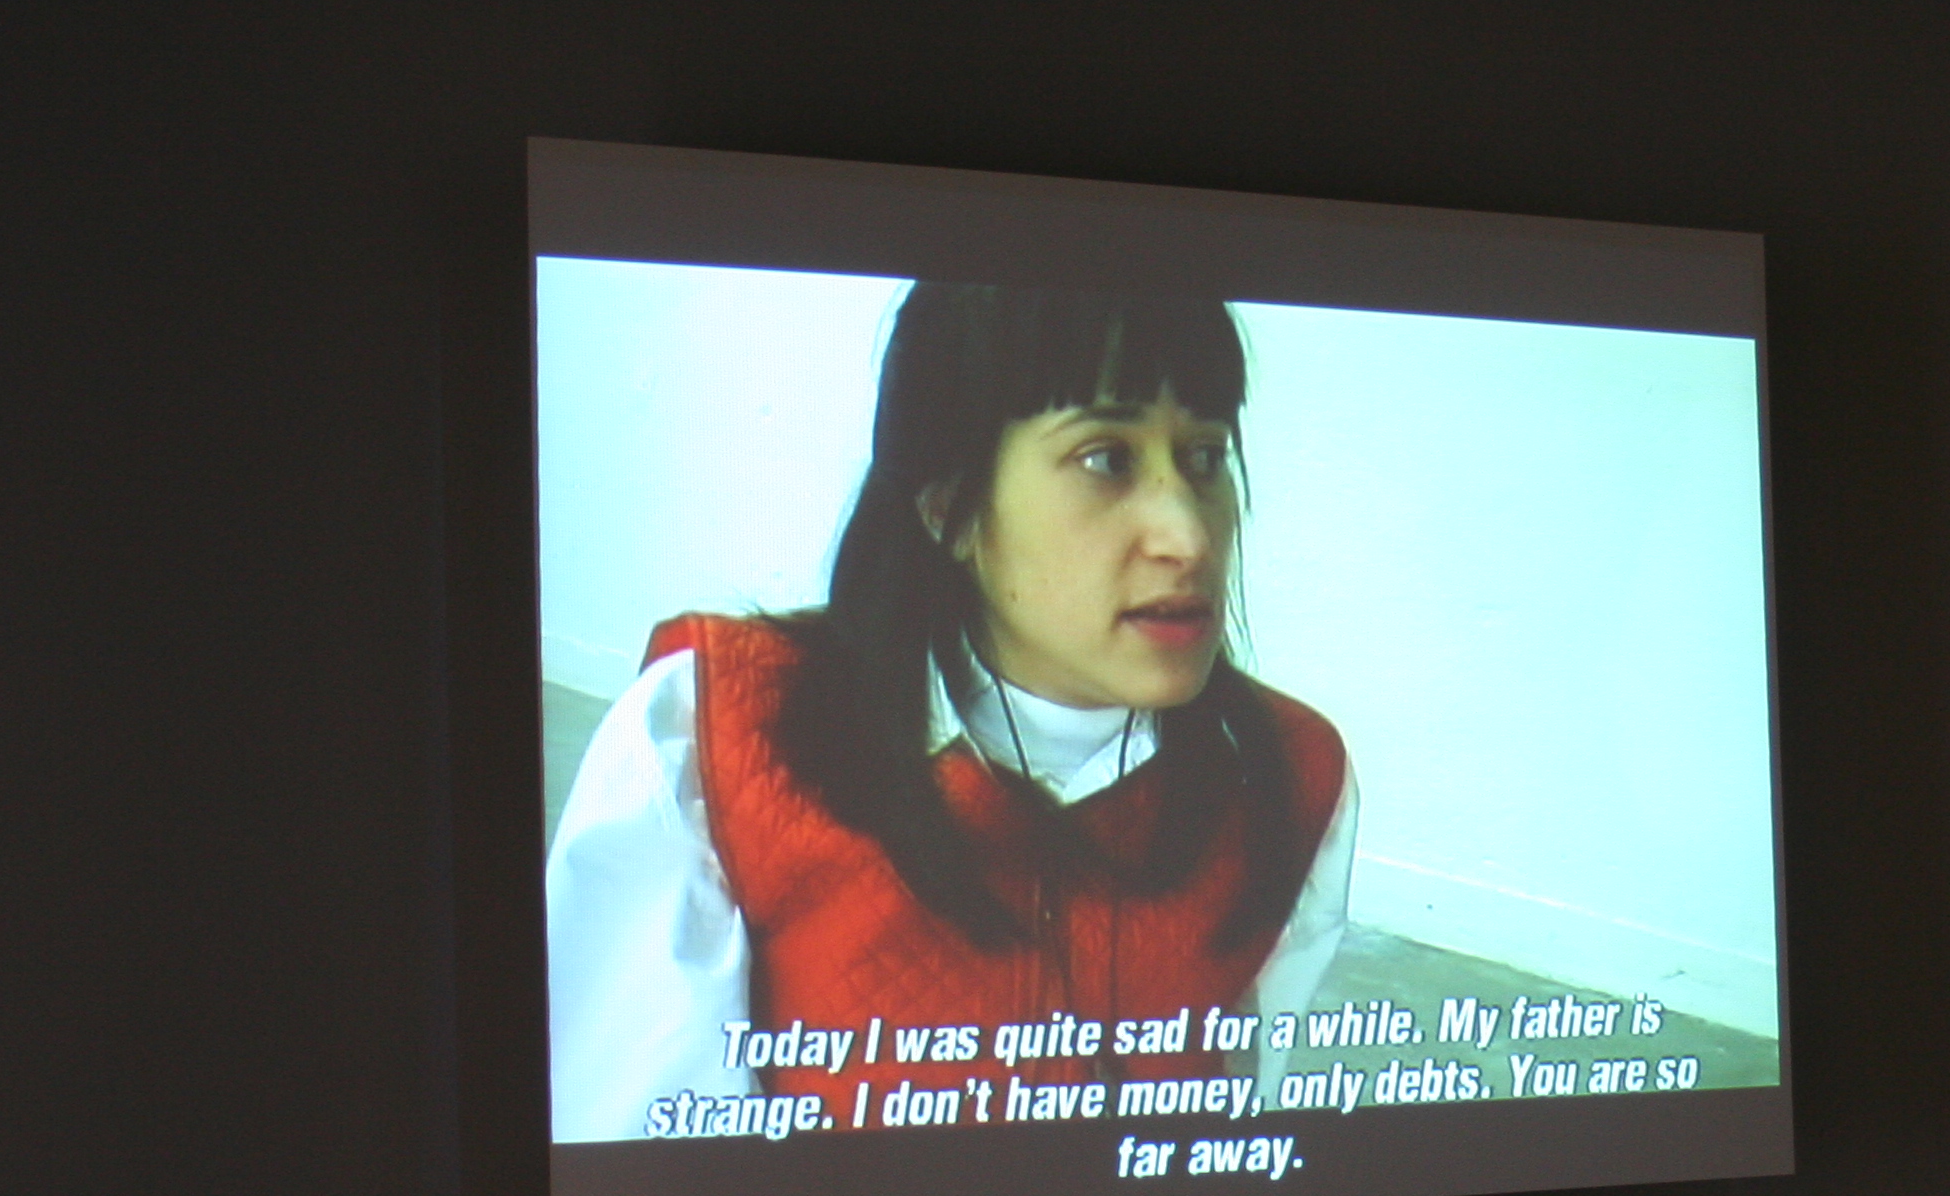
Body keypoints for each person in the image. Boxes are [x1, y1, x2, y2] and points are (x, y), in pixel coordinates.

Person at [543, 283, 1356, 1141]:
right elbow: (643, 1171)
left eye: (1203, 458)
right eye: (1106, 459)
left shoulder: (1292, 779)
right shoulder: (714, 737)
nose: (1188, 536)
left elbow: (1226, 1119)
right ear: (951, 505)